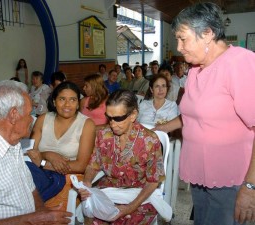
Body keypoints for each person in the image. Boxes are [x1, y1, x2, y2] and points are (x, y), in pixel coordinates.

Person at [156, 3, 255, 225]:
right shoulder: (196, 69)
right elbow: (191, 116)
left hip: (231, 179)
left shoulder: (239, 63)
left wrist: (250, 187)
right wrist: (159, 129)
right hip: (201, 175)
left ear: (207, 34)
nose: (179, 47)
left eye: (183, 39)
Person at [0, 80, 71, 225]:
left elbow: (30, 188)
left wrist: (42, 213)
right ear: (13, 115)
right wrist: (30, 220)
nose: (32, 119)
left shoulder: (13, 141)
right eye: (29, 114)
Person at [78, 89, 165, 224]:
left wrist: (130, 208)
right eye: (109, 117)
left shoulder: (149, 141)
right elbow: (93, 165)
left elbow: (153, 181)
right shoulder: (104, 135)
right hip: (108, 191)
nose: (112, 124)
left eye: (118, 118)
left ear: (133, 115)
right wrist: (87, 183)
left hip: (139, 196)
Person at [27, 81, 96, 209]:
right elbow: (30, 151)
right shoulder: (43, 119)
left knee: (43, 211)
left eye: (73, 100)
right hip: (38, 174)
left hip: (69, 178)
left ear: (78, 104)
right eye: (62, 99)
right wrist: (48, 154)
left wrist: (43, 163)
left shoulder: (86, 124)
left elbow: (81, 165)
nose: (67, 105)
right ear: (54, 101)